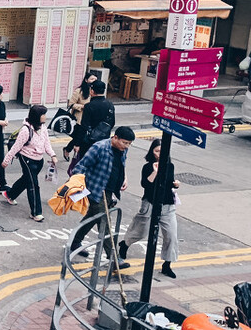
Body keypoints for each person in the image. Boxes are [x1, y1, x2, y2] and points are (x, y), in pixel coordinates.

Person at [69, 126, 135, 260]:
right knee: (105, 224)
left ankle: (75, 241)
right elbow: (80, 167)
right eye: (124, 142)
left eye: (129, 144)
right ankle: (114, 258)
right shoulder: (99, 148)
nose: (126, 146)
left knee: (92, 217)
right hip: (96, 191)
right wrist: (79, 187)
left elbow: (122, 164)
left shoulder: (122, 150)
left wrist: (125, 178)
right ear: (115, 137)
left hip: (109, 191)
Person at [118, 138, 181, 278]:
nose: (159, 154)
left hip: (167, 205)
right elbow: (145, 184)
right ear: (152, 152)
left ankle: (167, 265)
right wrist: (154, 172)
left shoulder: (170, 166)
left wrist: (175, 184)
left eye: (162, 151)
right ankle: (124, 245)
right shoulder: (147, 167)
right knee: (140, 231)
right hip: (150, 203)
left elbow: (169, 182)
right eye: (156, 151)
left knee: (171, 235)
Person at [1, 105, 57, 222]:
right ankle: (36, 213)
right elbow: (16, 147)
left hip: (39, 159)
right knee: (33, 185)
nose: (45, 117)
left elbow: (47, 144)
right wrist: (7, 160)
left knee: (27, 180)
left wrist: (53, 155)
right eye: (43, 114)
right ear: (37, 116)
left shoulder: (43, 128)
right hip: (27, 159)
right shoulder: (26, 130)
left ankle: (10, 194)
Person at [72, 80, 115, 171]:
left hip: (89, 141)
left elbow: (84, 126)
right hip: (104, 140)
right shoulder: (110, 104)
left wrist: (77, 144)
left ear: (92, 91)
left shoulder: (89, 106)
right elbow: (112, 123)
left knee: (85, 165)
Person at [64, 73, 98, 157]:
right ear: (86, 80)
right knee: (78, 137)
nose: (94, 81)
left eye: (95, 79)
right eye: (92, 79)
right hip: (79, 118)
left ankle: (68, 149)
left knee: (80, 137)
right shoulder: (79, 91)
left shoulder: (96, 92)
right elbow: (71, 104)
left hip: (90, 118)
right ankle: (68, 149)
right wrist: (83, 107)